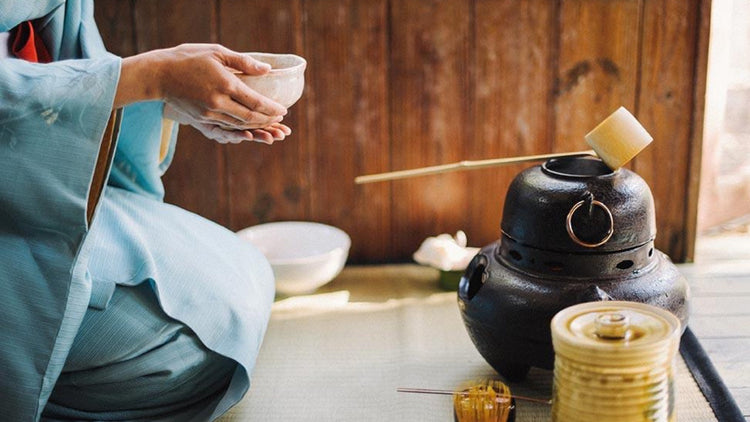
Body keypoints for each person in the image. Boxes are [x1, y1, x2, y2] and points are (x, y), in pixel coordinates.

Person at [1, 1, 290, 420]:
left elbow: (84, 69)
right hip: (14, 218)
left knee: (247, 278)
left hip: (51, 183)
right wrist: (151, 77)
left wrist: (169, 100)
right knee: (187, 352)